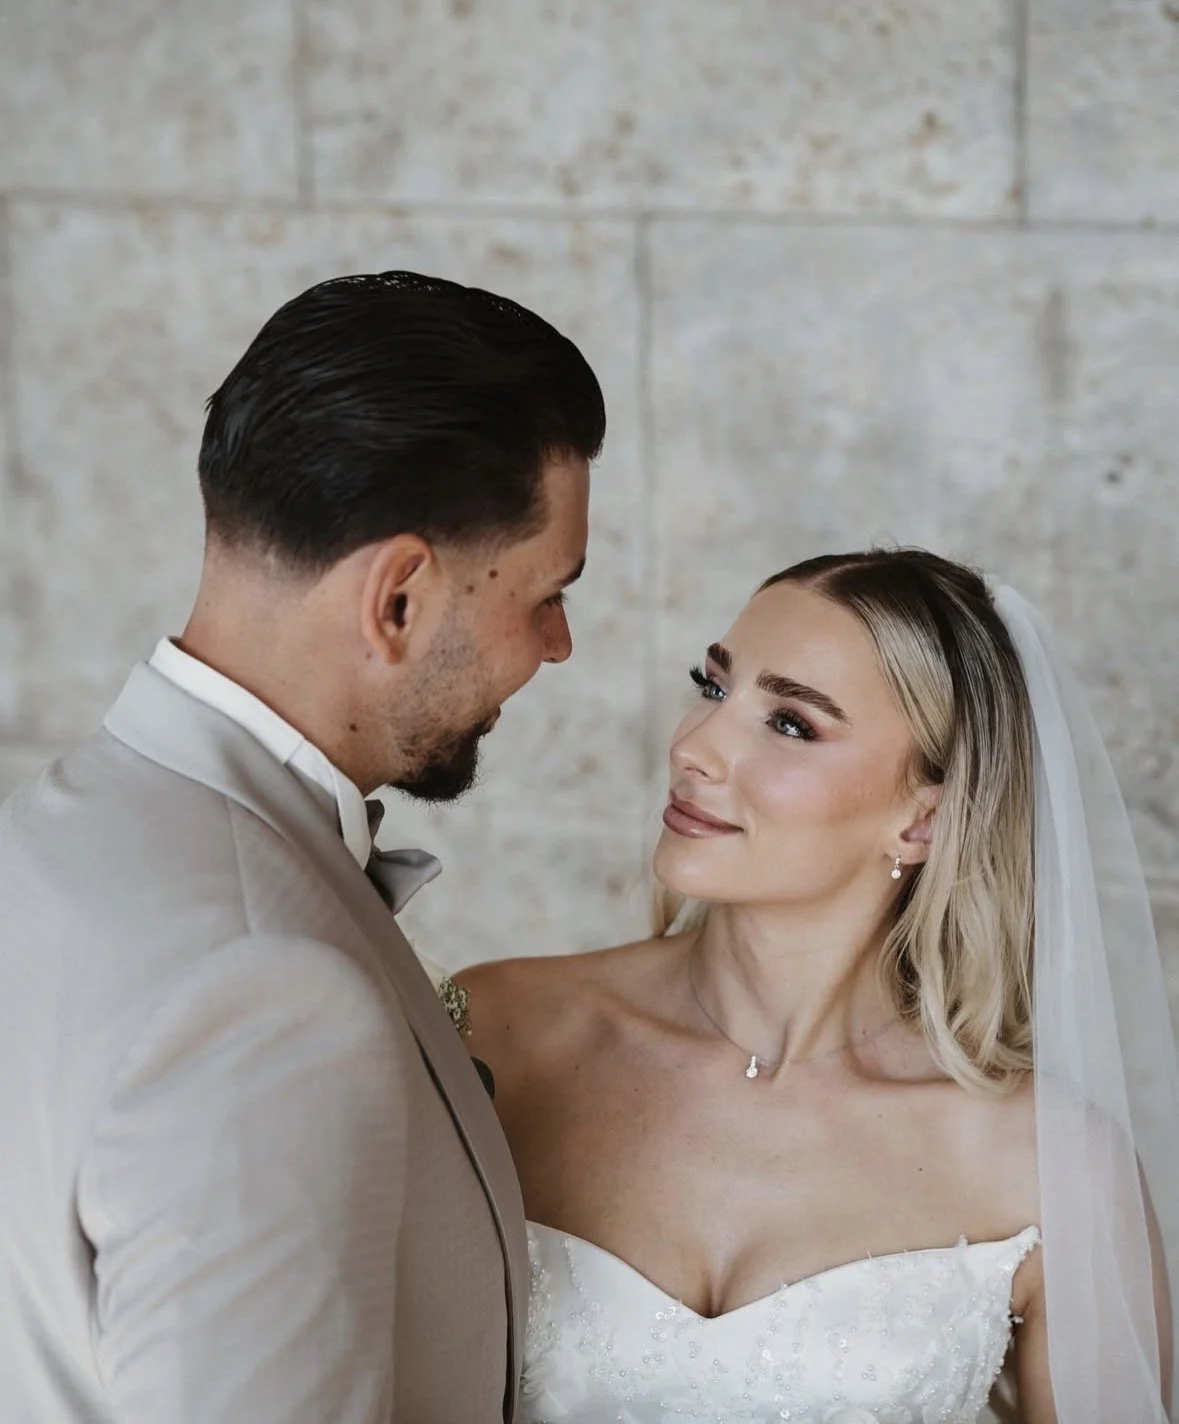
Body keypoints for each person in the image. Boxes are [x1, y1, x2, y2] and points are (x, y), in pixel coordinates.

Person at [0, 271, 605, 1423]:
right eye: (546, 593)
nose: (557, 644)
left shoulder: (39, 837)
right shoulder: (263, 985)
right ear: (398, 599)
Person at [461, 548, 1179, 1423]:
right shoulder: (500, 1034)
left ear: (922, 819)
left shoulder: (1043, 1164)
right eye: (714, 687)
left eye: (790, 723)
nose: (696, 748)